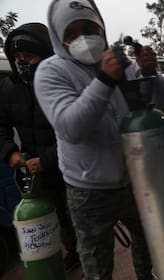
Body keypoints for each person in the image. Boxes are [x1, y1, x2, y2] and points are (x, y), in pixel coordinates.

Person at [33, 0, 164, 279]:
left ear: (102, 28)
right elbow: (71, 128)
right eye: (71, 33)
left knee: (149, 242)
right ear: (59, 38)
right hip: (89, 191)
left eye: (89, 28)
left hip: (135, 179)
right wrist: (106, 80)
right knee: (97, 264)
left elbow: (163, 109)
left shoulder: (123, 66)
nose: (83, 38)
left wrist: (150, 74)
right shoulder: (51, 72)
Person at [0, 22, 80, 271]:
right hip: (35, 170)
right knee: (56, 215)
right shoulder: (9, 87)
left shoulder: (65, 82)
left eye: (30, 56)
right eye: (18, 57)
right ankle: (73, 252)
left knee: (81, 217)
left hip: (70, 167)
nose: (23, 62)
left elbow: (76, 132)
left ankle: (90, 258)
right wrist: (9, 151)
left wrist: (46, 160)